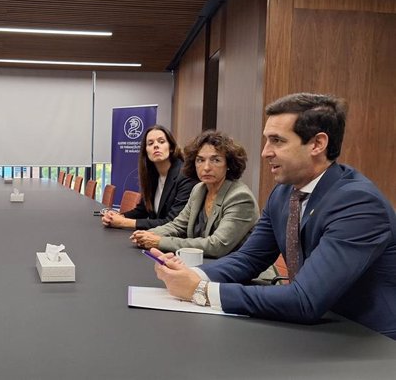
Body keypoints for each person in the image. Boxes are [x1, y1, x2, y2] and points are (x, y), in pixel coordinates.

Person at [149, 93, 396, 339]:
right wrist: (194, 275)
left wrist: (201, 291)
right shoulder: (283, 193)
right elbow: (248, 259)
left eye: (277, 141)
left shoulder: (359, 204)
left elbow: (305, 299)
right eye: (267, 140)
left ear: (317, 144)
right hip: (319, 330)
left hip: (368, 342)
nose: (266, 152)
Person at [131, 130, 260, 258]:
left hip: (242, 274)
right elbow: (178, 225)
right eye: (200, 160)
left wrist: (160, 242)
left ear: (229, 164)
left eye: (216, 160)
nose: (206, 167)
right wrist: (147, 234)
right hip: (206, 264)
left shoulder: (240, 197)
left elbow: (216, 246)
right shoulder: (199, 189)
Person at [102, 125, 197, 230]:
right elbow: (142, 210)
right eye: (150, 143)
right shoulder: (152, 175)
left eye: (161, 141)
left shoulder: (185, 175)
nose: (156, 146)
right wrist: (117, 217)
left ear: (171, 148)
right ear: (146, 152)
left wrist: (123, 222)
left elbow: (172, 222)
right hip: (154, 237)